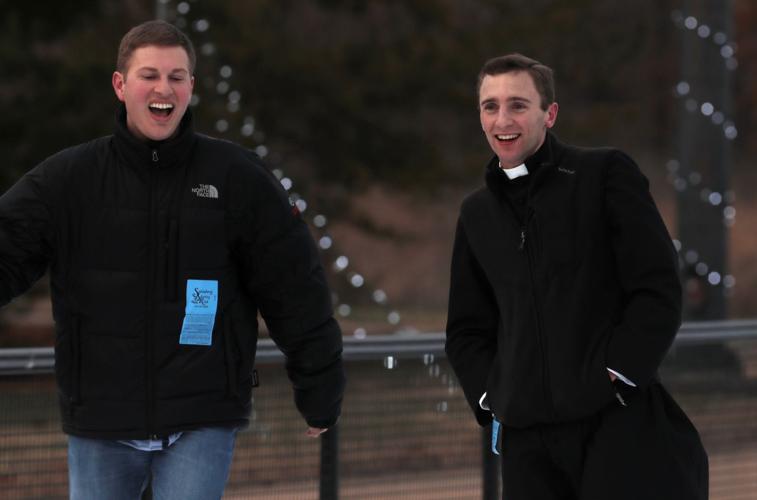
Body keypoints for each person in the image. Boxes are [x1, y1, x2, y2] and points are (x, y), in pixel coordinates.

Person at [0, 20, 345, 500]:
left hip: (202, 416)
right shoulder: (70, 179)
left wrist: (320, 389)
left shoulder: (237, 177)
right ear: (121, 85)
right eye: (149, 75)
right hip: (101, 416)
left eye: (176, 76)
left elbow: (295, 287)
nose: (164, 88)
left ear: (191, 88)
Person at [445, 53, 708, 500]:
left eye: (518, 105)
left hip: (616, 425)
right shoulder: (476, 214)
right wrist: (495, 399)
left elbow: (657, 287)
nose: (502, 119)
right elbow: (467, 329)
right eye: (490, 106)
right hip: (528, 447)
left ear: (550, 114)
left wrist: (616, 374)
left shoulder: (603, 175)